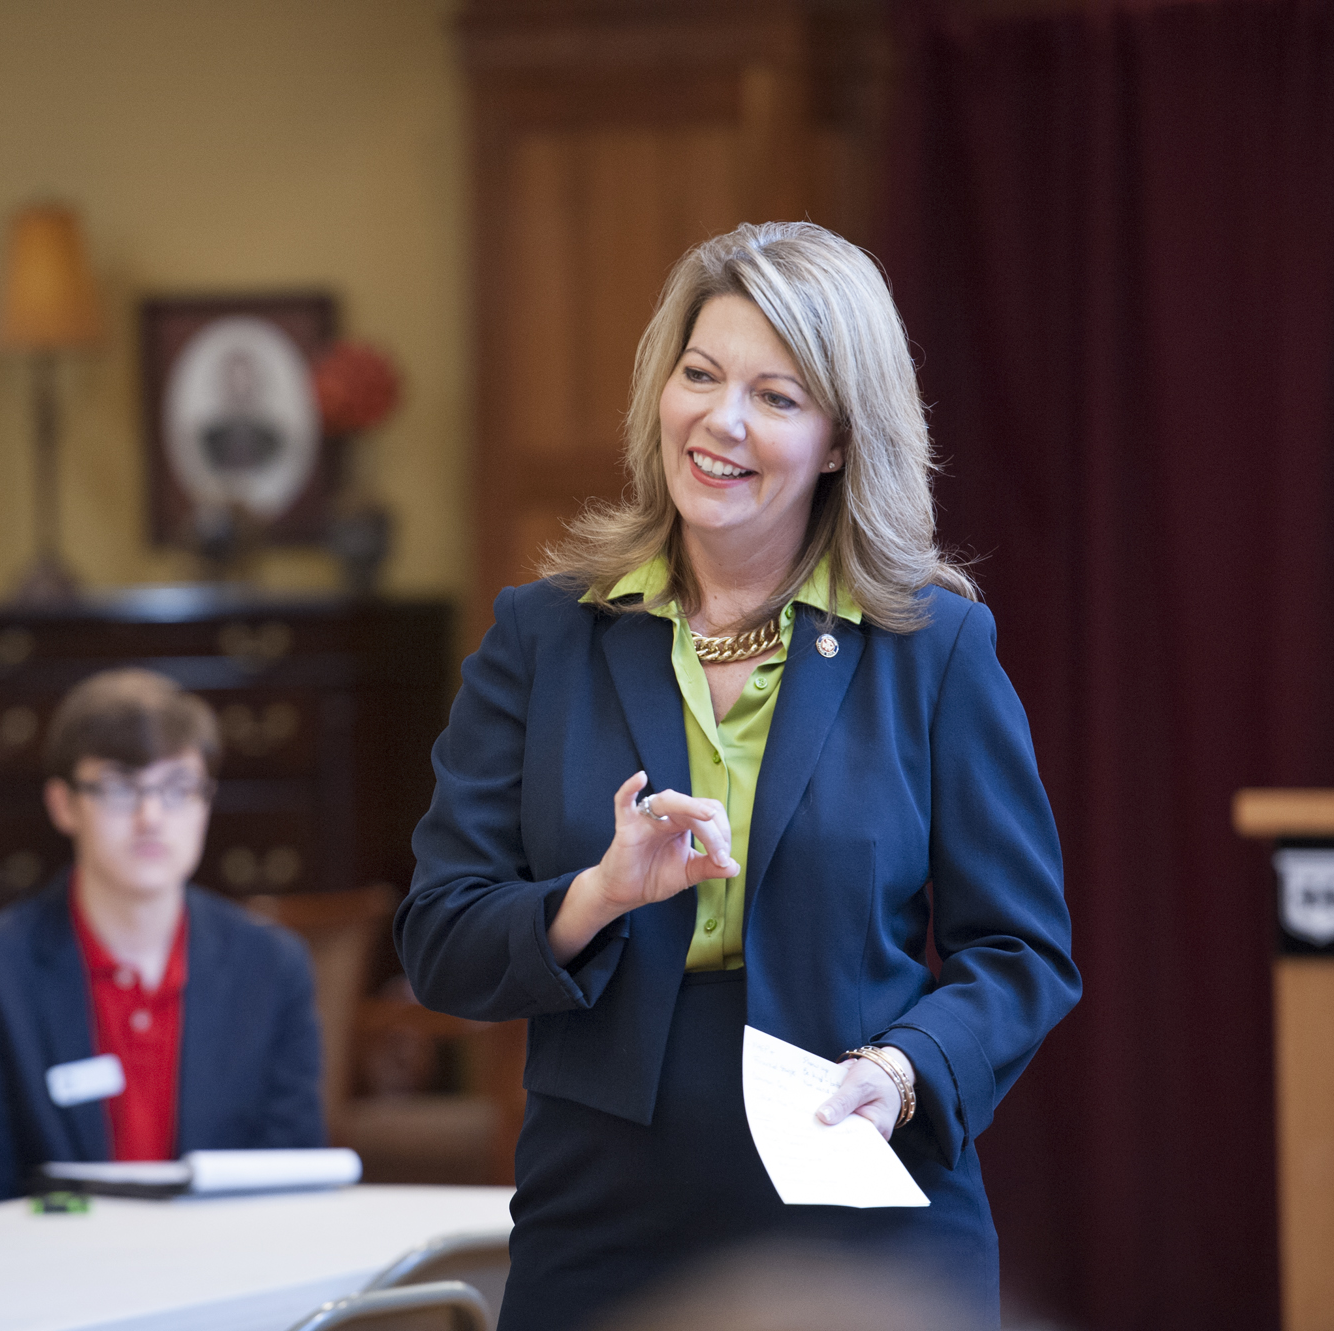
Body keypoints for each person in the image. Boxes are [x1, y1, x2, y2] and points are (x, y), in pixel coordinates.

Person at [395, 221, 1082, 1329]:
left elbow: (1021, 954)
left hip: (858, 1205)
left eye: (775, 395)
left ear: (840, 440)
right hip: (604, 1216)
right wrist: (597, 893)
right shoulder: (541, 636)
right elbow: (439, 939)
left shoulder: (931, 647)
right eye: (699, 375)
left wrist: (903, 1071)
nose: (720, 421)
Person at [0, 668, 323, 1206]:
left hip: (230, 1271)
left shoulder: (272, 966)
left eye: (178, 788)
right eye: (118, 788)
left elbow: (289, 1179)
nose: (151, 817)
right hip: (53, 1276)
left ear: (206, 801)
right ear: (64, 804)